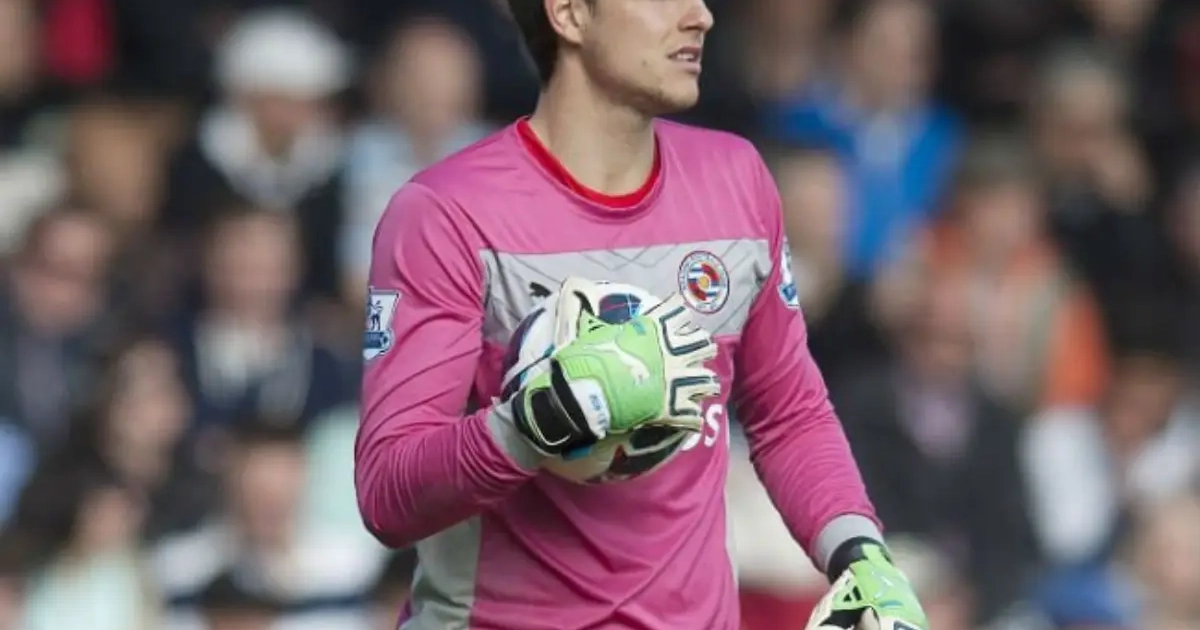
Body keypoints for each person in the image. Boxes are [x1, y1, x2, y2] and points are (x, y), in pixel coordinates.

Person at [354, 1, 928, 629]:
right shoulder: (445, 212)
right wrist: (530, 423)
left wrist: (860, 555)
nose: (701, 16)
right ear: (569, 13)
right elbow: (387, 495)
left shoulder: (737, 181)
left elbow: (788, 413)